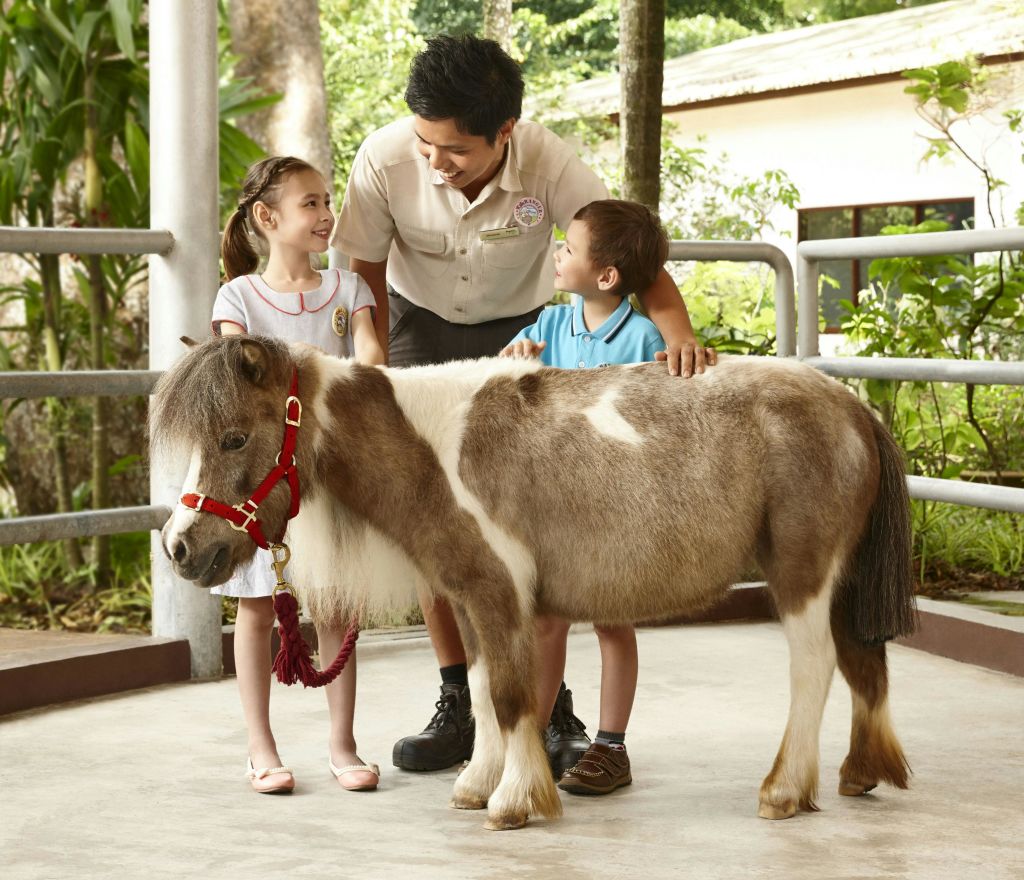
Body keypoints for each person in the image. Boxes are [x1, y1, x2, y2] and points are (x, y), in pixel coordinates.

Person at [335, 34, 716, 775]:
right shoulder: (384, 159)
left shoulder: (551, 163)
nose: (436, 162)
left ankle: (551, 706)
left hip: (525, 334)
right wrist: (371, 362)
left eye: (456, 150)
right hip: (415, 326)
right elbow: (364, 274)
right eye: (425, 144)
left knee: (536, 525)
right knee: (428, 516)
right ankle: (459, 697)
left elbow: (625, 253)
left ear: (504, 131)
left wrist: (680, 341)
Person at [214, 156, 386, 794]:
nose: (325, 214)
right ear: (267, 217)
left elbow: (371, 359)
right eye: (310, 203)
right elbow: (237, 370)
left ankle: (343, 745)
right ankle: (260, 748)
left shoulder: (348, 288)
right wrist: (309, 361)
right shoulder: (237, 297)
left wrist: (312, 366)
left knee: (336, 606)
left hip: (331, 469)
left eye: (327, 201)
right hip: (265, 478)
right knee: (257, 606)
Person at [502, 198, 667, 793]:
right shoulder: (546, 327)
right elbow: (502, 382)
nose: (557, 252)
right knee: (546, 621)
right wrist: (515, 360)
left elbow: (658, 423)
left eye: (568, 248)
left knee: (612, 624)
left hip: (616, 509)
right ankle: (528, 745)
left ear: (606, 276)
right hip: (552, 509)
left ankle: (610, 747)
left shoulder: (645, 338)